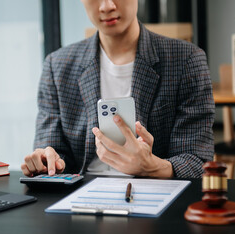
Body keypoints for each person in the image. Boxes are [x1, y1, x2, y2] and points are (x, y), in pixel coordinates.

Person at [21, 0, 215, 178]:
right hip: (81, 195)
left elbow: (198, 161)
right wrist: (47, 160)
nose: (106, 6)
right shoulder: (57, 65)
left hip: (155, 192)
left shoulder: (185, 60)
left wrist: (153, 166)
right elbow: (51, 148)